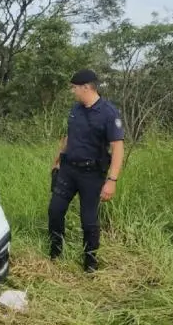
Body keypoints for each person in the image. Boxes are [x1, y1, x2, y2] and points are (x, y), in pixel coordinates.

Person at [48, 69, 125, 273]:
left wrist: (112, 180)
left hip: (92, 175)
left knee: (88, 220)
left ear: (86, 87)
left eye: (74, 88)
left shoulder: (108, 113)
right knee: (55, 211)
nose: (73, 91)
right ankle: (55, 254)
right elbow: (68, 137)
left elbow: (118, 148)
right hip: (68, 170)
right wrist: (57, 161)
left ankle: (90, 263)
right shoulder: (75, 109)